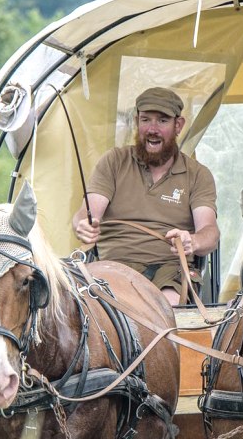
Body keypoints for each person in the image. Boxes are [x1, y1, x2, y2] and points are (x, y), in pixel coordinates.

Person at [72, 86, 219, 305]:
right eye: (145, 120)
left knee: (165, 310)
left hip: (170, 271)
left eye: (162, 121)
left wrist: (193, 241)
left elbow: (210, 232)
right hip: (114, 267)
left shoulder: (197, 174)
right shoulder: (114, 161)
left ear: (178, 125)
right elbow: (86, 213)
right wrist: (83, 225)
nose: (152, 129)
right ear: (136, 121)